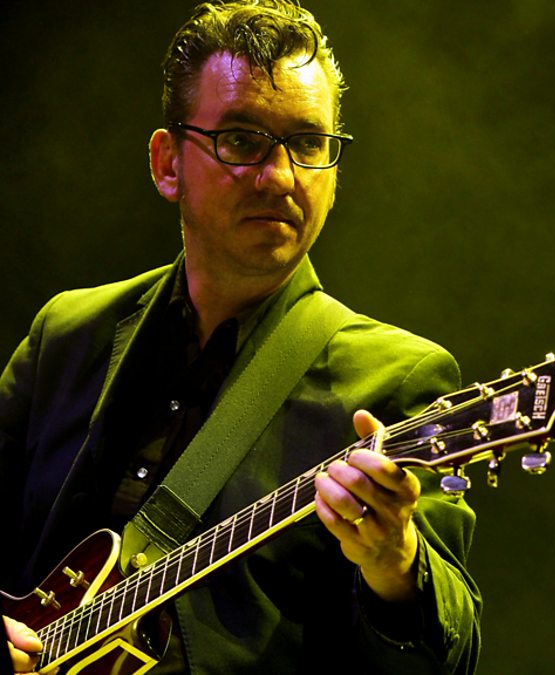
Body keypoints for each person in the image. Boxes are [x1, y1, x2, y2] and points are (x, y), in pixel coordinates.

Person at [0, 1, 480, 673]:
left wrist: (396, 562)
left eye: (308, 143)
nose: (280, 176)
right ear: (167, 163)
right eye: (243, 140)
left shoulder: (397, 379)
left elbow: (450, 658)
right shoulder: (68, 333)